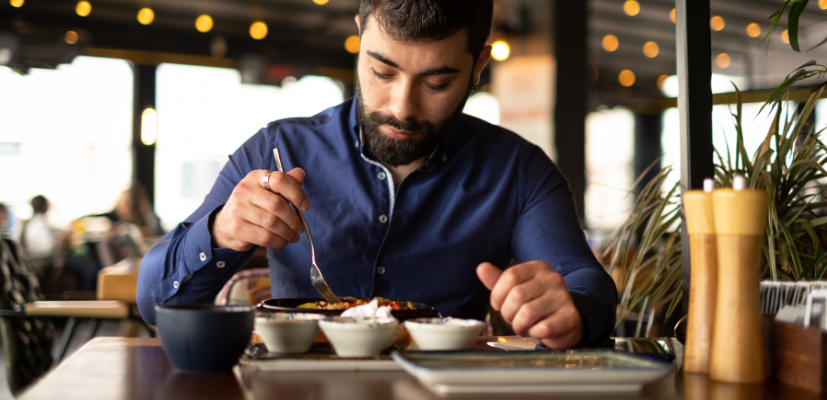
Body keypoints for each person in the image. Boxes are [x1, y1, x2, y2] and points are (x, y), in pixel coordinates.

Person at [137, 0, 617, 348]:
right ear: (360, 36)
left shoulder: (517, 170)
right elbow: (153, 300)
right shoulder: (277, 150)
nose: (402, 108)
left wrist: (570, 311)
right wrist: (221, 231)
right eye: (382, 72)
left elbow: (584, 281)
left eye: (437, 82)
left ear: (479, 67)